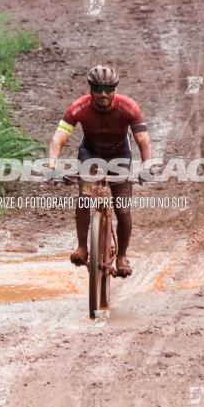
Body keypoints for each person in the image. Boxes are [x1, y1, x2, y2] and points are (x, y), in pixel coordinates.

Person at [47, 65, 152, 277]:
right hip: (90, 155)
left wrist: (147, 165)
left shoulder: (128, 107)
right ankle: (82, 247)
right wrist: (52, 164)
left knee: (122, 209)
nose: (102, 93)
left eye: (108, 88)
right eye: (97, 88)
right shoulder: (79, 107)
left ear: (115, 89)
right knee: (84, 199)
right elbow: (59, 137)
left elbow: (142, 139)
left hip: (120, 156)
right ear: (90, 89)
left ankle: (122, 256)